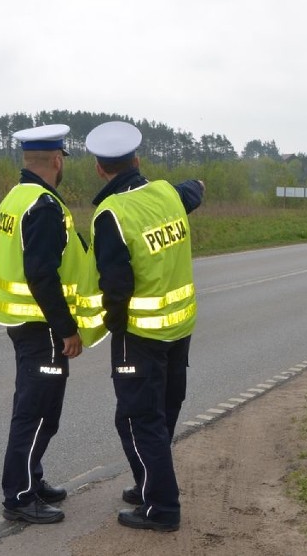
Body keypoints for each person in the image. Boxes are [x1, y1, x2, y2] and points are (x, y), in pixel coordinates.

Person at [76, 121, 205, 532]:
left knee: (136, 419)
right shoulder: (167, 193)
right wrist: (199, 182)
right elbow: (192, 191)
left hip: (140, 335)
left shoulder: (110, 214)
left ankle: (161, 507)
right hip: (179, 328)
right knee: (162, 412)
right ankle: (149, 483)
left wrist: (114, 328)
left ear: (100, 169)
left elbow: (115, 285)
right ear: (137, 159)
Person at [0, 124, 85, 524]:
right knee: (38, 411)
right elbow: (42, 275)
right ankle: (20, 496)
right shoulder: (43, 206)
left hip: (22, 322)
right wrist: (67, 330)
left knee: (36, 406)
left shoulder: (15, 197)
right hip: (42, 326)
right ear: (57, 161)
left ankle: (32, 477)